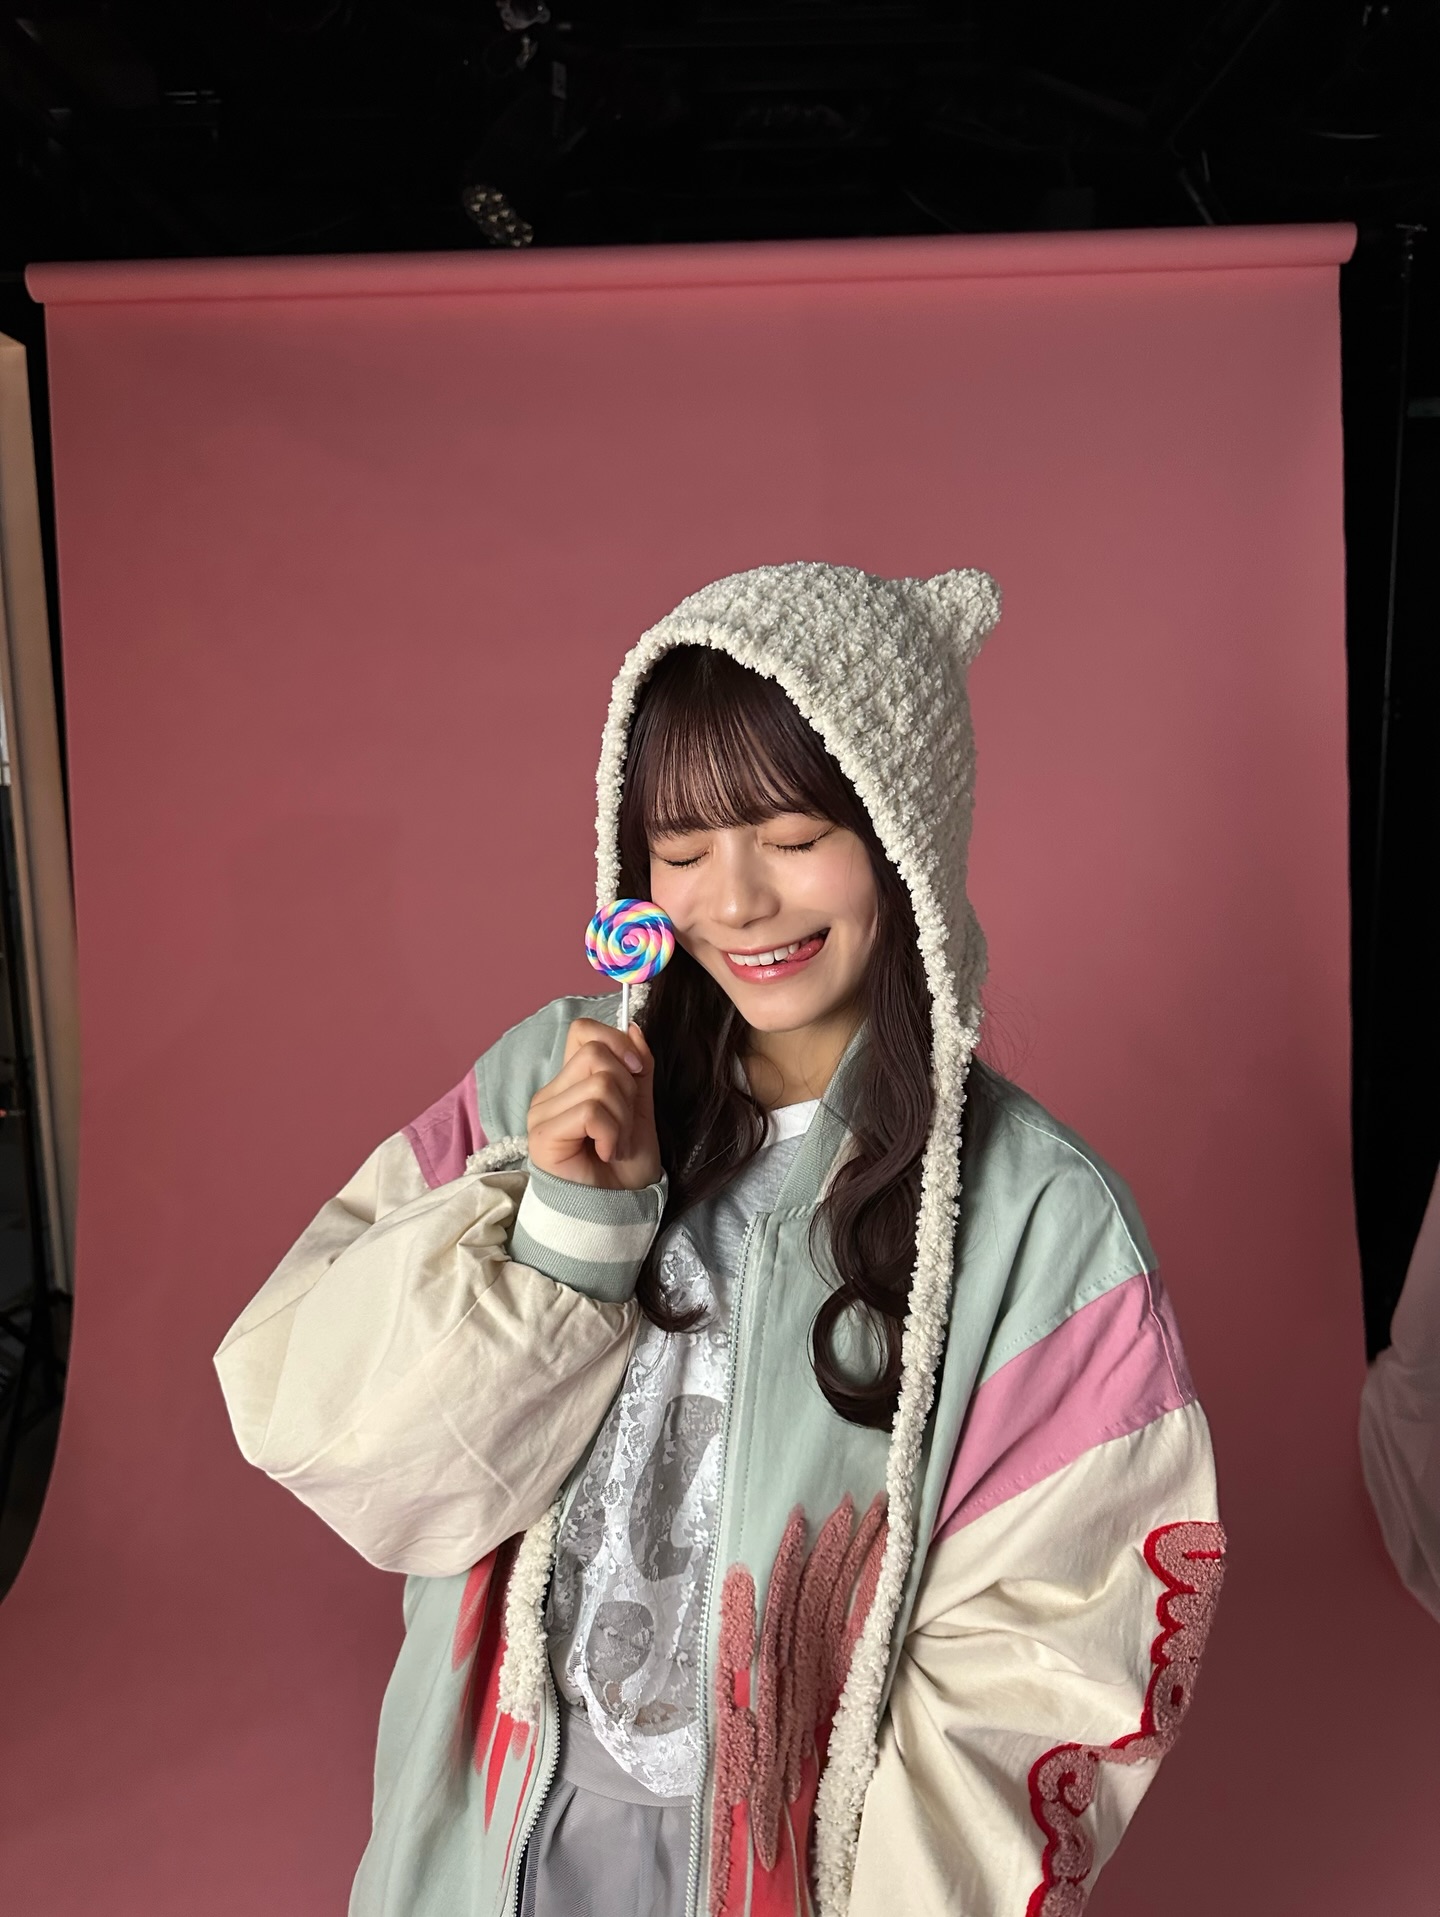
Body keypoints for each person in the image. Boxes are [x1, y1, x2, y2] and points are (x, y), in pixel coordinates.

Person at [215, 562, 1224, 1917]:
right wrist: (567, 1232)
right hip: (493, 1832)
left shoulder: (1041, 1217)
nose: (737, 901)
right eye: (683, 851)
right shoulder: (544, 1085)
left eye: (794, 834)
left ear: (904, 829)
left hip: (792, 1867)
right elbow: (354, 1447)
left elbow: (1048, 1656)